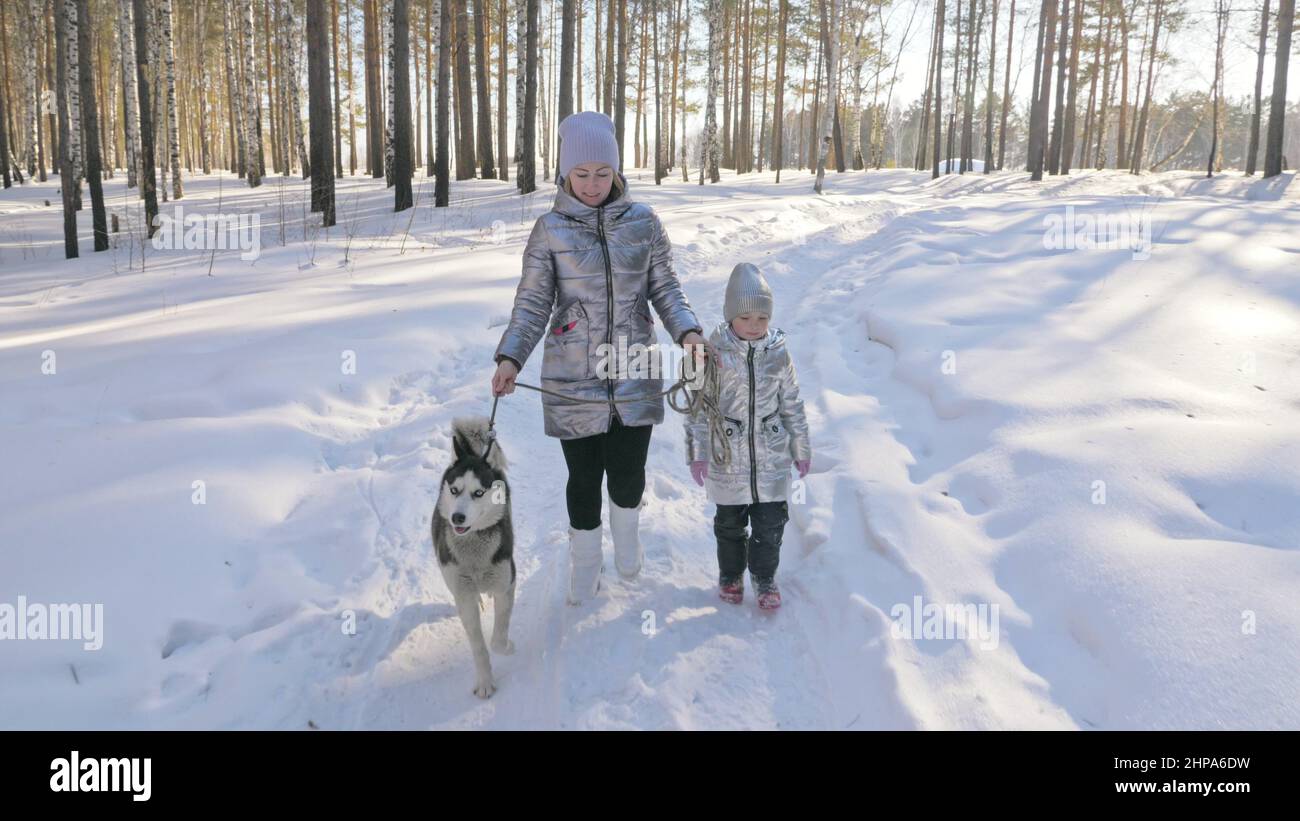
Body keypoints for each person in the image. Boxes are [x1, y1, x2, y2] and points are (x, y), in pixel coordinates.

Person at [491, 111, 705, 605]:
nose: (592, 184)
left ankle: (627, 539)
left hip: (634, 370)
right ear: (564, 172)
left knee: (629, 473)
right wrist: (510, 359)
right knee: (583, 479)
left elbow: (665, 287)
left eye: (602, 173)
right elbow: (532, 304)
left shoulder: (644, 223)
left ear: (617, 172)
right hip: (572, 378)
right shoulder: (549, 230)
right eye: (581, 174)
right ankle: (585, 561)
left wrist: (688, 332)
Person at [686, 263, 811, 610]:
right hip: (728, 456)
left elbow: (792, 404)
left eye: (762, 318)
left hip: (771, 457)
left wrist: (800, 446)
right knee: (729, 525)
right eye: (745, 318)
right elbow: (699, 407)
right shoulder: (713, 353)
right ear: (729, 316)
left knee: (771, 524)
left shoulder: (779, 353)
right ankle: (730, 575)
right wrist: (697, 453)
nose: (754, 326)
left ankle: (764, 577)